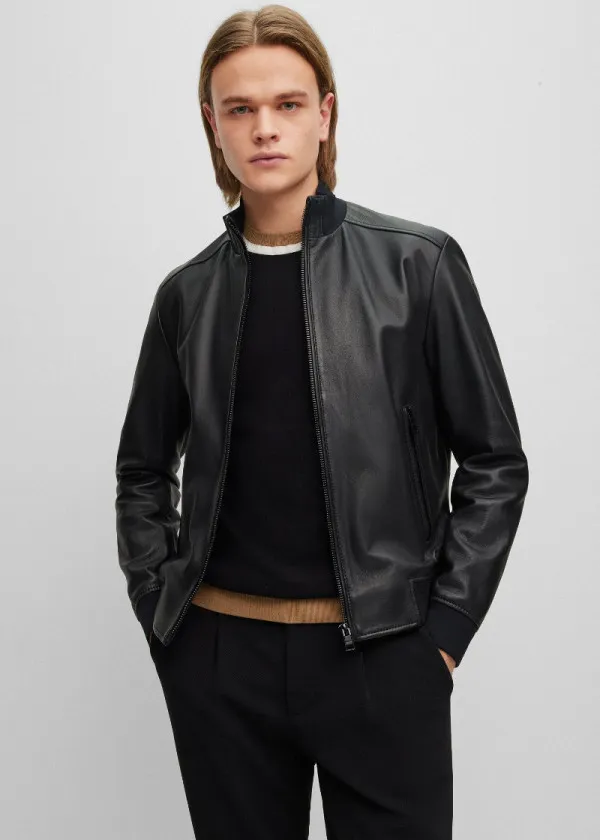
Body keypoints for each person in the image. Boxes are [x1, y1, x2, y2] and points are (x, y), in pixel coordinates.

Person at [115, 5, 529, 838]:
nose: (265, 128)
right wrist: (167, 620)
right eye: (240, 108)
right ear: (213, 126)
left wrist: (443, 634)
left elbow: (495, 461)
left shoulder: (417, 266)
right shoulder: (186, 295)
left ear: (325, 114)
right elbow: (142, 472)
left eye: (288, 104)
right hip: (221, 662)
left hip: (382, 654)